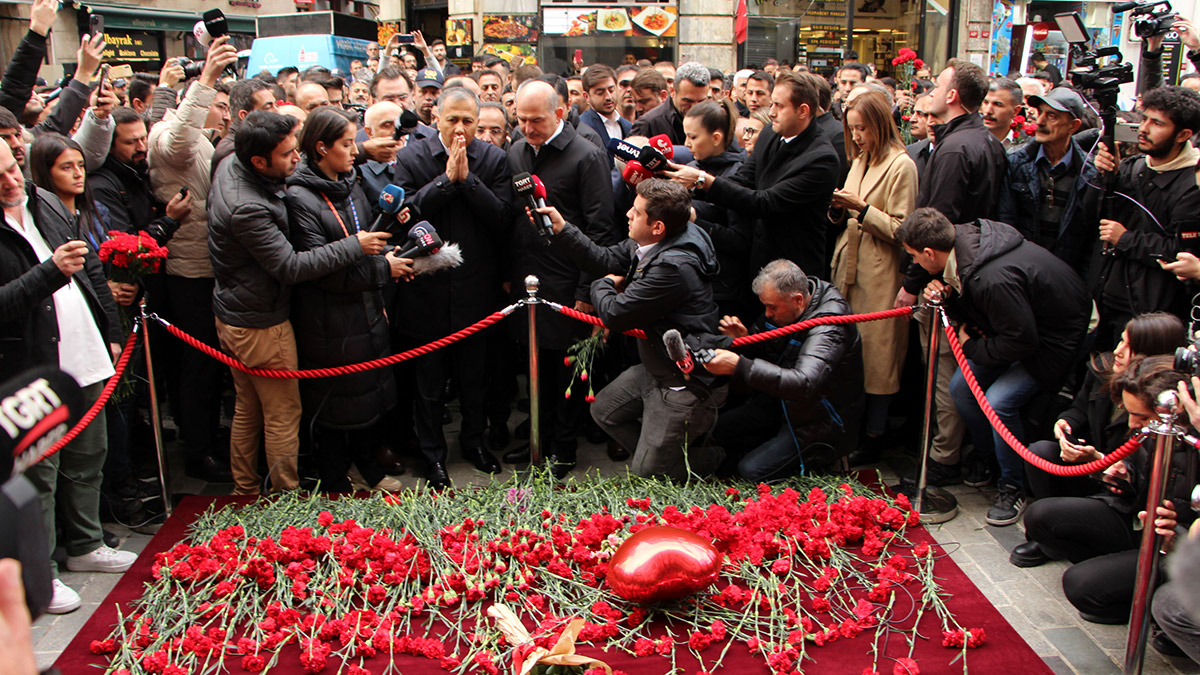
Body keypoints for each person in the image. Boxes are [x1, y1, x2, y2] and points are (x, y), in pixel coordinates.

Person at [207, 110, 392, 495]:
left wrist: (357, 148)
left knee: (249, 408)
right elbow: (291, 266)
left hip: (236, 309)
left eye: (297, 149)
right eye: (289, 154)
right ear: (260, 161)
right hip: (261, 322)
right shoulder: (250, 207)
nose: (297, 160)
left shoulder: (235, 161)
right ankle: (286, 495)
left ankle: (245, 488)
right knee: (281, 414)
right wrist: (354, 245)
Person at [0, 139, 134, 615]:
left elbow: (91, 266)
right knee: (40, 475)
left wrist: (111, 332)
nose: (13, 180)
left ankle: (86, 543)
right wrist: (48, 272)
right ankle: (42, 573)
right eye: (1, 177)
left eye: (13, 168)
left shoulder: (44, 202)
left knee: (88, 454)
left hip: (85, 352)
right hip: (33, 368)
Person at [898, 208, 1091, 526]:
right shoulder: (964, 244)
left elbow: (1021, 341)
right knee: (961, 387)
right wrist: (947, 297)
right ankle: (988, 455)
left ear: (931, 251)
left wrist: (971, 345)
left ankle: (1012, 485)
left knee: (1000, 402)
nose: (916, 265)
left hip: (1055, 339)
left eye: (915, 257)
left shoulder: (989, 277)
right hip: (1021, 328)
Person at [541, 178, 727, 480]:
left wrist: (600, 285)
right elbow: (605, 259)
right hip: (658, 365)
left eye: (637, 212)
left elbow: (615, 314)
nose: (628, 214)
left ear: (658, 227)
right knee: (604, 411)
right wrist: (564, 229)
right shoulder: (662, 239)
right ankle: (664, 453)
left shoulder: (672, 268)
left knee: (647, 475)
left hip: (682, 383)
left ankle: (702, 462)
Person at [284, 106, 411, 493]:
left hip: (367, 311)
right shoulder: (300, 198)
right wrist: (382, 270)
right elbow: (321, 270)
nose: (355, 150)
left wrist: (393, 223)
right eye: (345, 144)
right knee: (338, 407)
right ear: (320, 149)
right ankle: (335, 477)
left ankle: (365, 467)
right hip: (329, 321)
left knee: (367, 401)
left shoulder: (350, 182)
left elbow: (367, 234)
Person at [393, 87, 512, 488]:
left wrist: (469, 182)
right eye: (452, 120)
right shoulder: (412, 157)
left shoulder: (494, 158)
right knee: (428, 383)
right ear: (437, 119)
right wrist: (446, 182)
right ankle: (433, 456)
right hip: (426, 291)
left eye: (468, 121)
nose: (460, 129)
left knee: (474, 377)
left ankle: (474, 442)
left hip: (477, 288)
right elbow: (403, 215)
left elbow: (502, 219)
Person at [1022, 356, 1193, 623]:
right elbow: (1136, 478)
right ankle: (1114, 573)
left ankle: (1151, 610)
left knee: (1082, 587)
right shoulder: (1148, 430)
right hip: (1137, 521)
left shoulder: (1189, 441)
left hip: (1176, 549)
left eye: (1141, 416)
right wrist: (1116, 471)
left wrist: (1174, 538)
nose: (1133, 423)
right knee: (1040, 516)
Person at [1011, 313, 1186, 566]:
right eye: (1121, 341)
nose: (1118, 351)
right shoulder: (1103, 369)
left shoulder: (1165, 409)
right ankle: (1048, 539)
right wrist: (1066, 424)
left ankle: (1091, 551)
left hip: (1127, 496)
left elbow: (1145, 477)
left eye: (1130, 346)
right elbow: (1080, 408)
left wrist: (1102, 462)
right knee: (1040, 451)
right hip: (1097, 468)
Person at [505, 80, 614, 473]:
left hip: (568, 282)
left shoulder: (587, 155)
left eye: (537, 120)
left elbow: (601, 229)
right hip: (527, 280)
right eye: (522, 120)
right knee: (535, 367)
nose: (529, 128)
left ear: (560, 114)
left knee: (566, 369)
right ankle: (540, 437)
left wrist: (587, 289)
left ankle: (563, 448)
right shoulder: (516, 150)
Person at [145, 38, 238, 484]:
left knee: (210, 364)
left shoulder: (199, 139)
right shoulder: (169, 138)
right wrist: (204, 81)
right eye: (216, 104)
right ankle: (197, 450)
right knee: (198, 366)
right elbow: (181, 135)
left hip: (209, 267)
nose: (222, 112)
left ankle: (206, 436)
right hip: (190, 272)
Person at [664, 71, 839, 282]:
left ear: (803, 111)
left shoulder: (822, 159)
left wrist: (703, 180)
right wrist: (694, 187)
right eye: (772, 104)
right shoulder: (771, 133)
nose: (771, 112)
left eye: (779, 106)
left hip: (795, 269)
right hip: (758, 263)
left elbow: (766, 203)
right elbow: (743, 179)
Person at [707, 259, 864, 480]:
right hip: (781, 404)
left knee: (751, 471)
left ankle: (810, 463)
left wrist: (740, 365)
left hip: (819, 420)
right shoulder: (788, 305)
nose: (768, 314)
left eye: (772, 307)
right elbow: (770, 352)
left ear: (798, 300)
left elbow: (804, 383)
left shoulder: (829, 326)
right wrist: (746, 342)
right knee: (717, 429)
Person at [828, 91, 917, 458]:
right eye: (853, 129)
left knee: (879, 357)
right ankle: (850, 428)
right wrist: (838, 209)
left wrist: (861, 209)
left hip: (880, 271)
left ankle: (875, 435)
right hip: (849, 262)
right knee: (849, 352)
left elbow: (903, 230)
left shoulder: (902, 165)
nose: (858, 136)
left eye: (862, 128)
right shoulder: (861, 160)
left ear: (880, 124)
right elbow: (850, 206)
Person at [1091, 85, 1200, 348]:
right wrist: (1106, 176)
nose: (1144, 128)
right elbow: (1093, 217)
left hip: (1150, 308)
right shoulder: (1134, 166)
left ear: (1183, 134)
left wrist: (1125, 239)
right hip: (1107, 293)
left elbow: (1179, 252)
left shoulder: (1192, 183)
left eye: (1157, 123)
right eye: (1145, 118)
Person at [996, 87, 1100, 278]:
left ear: (1073, 126)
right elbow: (1006, 222)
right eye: (1040, 113)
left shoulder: (1089, 173)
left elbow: (1090, 239)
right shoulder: (1017, 163)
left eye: (1052, 116)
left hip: (1066, 276)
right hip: (1021, 271)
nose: (1040, 121)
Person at [683, 99, 752, 320]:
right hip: (690, 278)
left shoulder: (738, 174)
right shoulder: (690, 167)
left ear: (716, 138)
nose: (686, 144)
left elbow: (740, 240)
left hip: (724, 288)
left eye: (693, 137)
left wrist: (697, 222)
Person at [90, 107, 191, 246]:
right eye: (130, 142)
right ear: (110, 145)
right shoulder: (101, 187)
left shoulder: (137, 170)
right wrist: (168, 220)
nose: (141, 147)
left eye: (143, 138)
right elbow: (126, 247)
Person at [631, 62, 712, 145]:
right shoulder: (648, 124)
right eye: (687, 101)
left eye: (701, 101)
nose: (694, 107)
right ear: (672, 91)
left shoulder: (714, 121)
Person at [211, 79, 277, 177]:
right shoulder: (234, 152)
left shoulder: (254, 142)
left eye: (276, 105)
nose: (277, 112)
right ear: (244, 115)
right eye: (268, 107)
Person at [579, 64, 632, 166]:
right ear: (586, 96)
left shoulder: (628, 126)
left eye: (611, 90)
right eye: (600, 92)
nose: (608, 97)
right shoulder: (582, 127)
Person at [358, 101, 403, 204]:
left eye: (399, 124)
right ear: (369, 132)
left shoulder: (419, 158)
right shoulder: (360, 171)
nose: (395, 131)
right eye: (387, 125)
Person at [981, 78, 1024, 148]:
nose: (988, 111)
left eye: (997, 104)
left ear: (1016, 111)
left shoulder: (1025, 143)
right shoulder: (968, 137)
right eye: (986, 102)